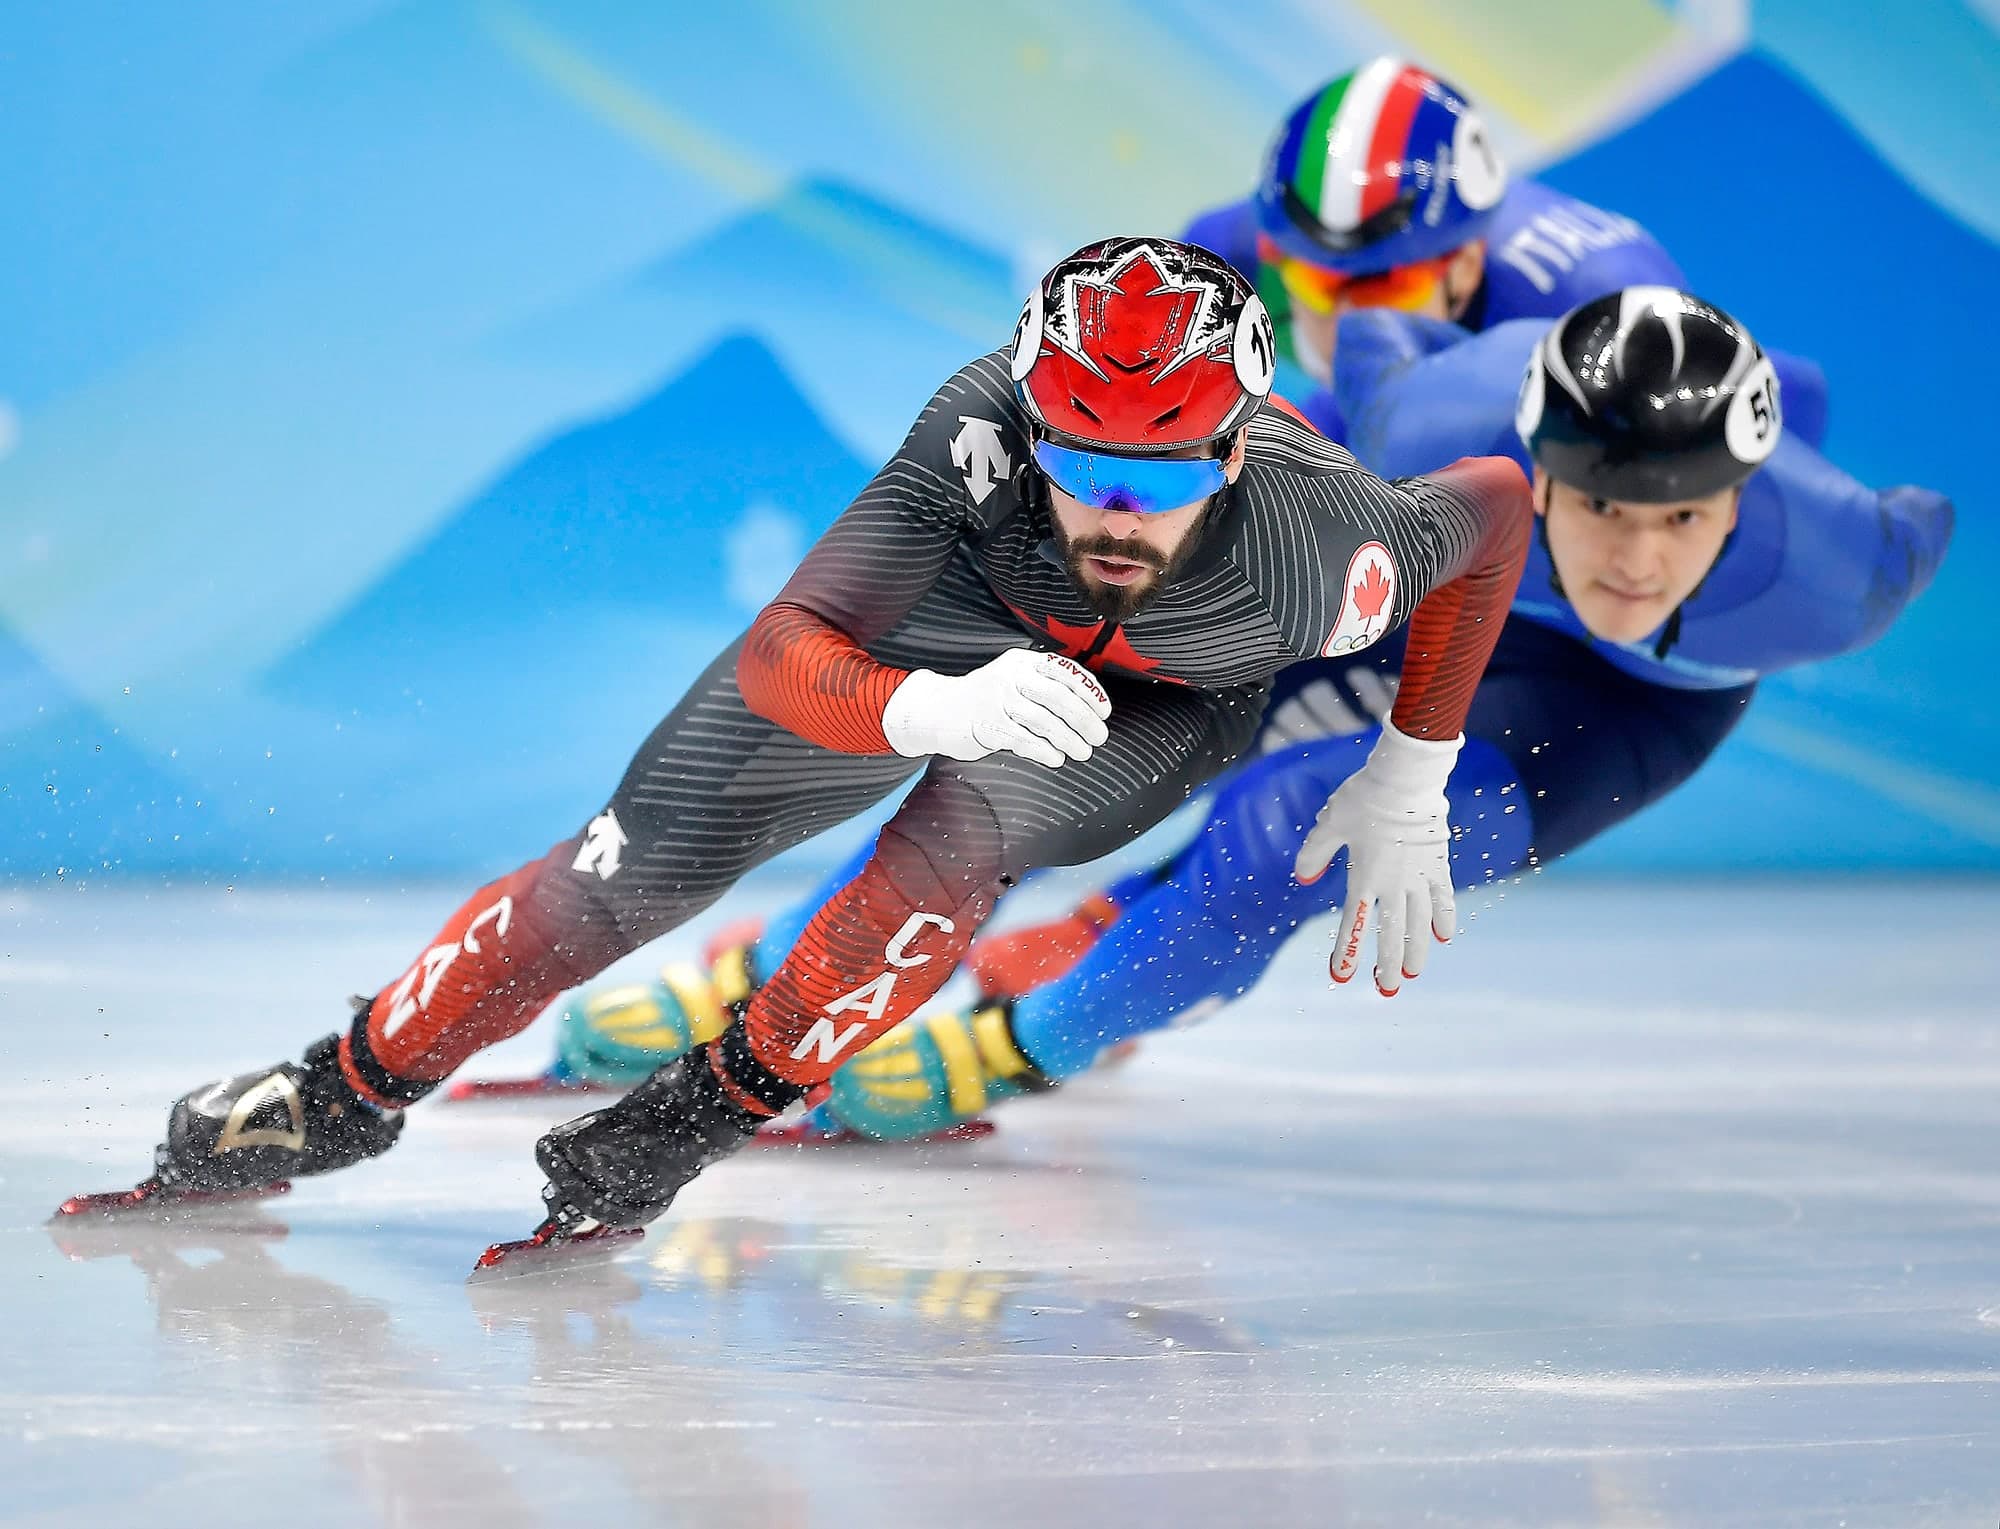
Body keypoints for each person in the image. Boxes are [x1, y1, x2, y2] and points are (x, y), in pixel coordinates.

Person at [64, 237, 1533, 1241]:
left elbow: (1498, 513)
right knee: (609, 882)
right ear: (1030, 427)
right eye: (1079, 462)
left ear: (1236, 444)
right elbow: (786, 648)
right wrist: (919, 704)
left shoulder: (1323, 546)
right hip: (940, 635)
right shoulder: (973, 439)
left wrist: (1416, 764)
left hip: (1157, 701)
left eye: (1162, 473)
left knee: (956, 842)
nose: (1117, 516)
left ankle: (698, 1112)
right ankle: (334, 1089)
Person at [546, 287, 1951, 1145]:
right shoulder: (1427, 431)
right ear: (1535, 467)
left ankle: (1031, 1036)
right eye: (1596, 507)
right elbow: (1378, 349)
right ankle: (776, 957)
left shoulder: (1843, 571)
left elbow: (1890, 481)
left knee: (1296, 833)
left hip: (1619, 708)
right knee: (1056, 734)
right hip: (1442, 586)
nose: (1637, 560)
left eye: (1685, 519)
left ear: (1747, 501)